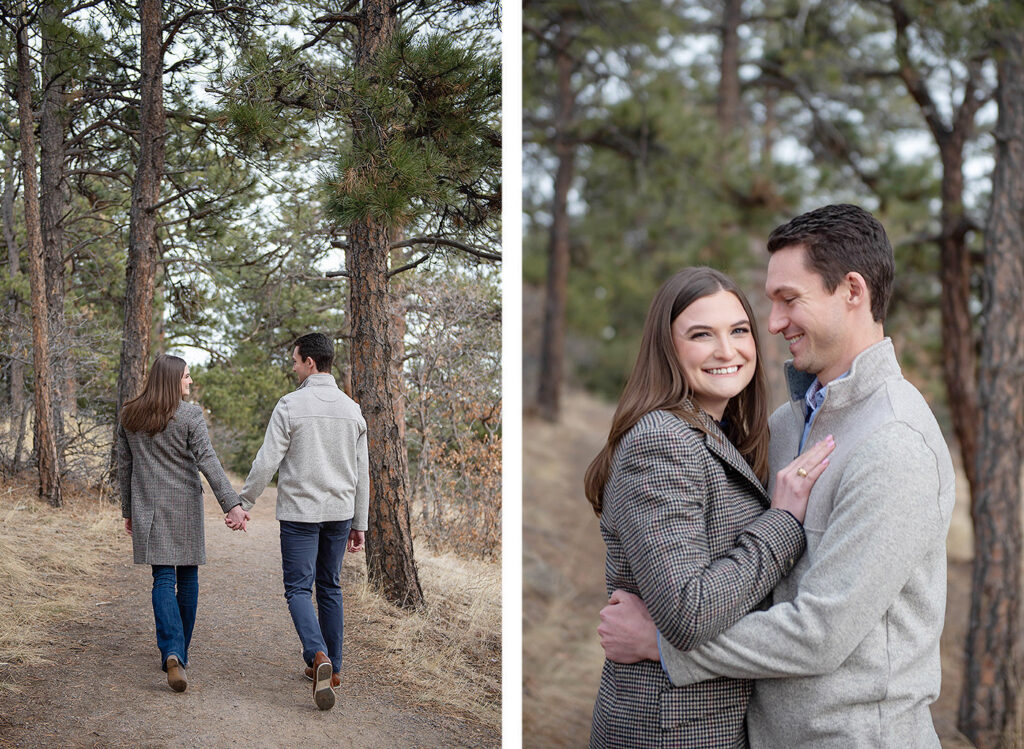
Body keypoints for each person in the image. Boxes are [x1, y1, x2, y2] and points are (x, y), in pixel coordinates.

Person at [599, 204, 956, 748]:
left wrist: (662, 644)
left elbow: (820, 635)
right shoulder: (787, 425)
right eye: (769, 302)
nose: (773, 323)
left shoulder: (895, 442)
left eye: (789, 299)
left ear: (852, 291)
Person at [584, 267, 835, 748]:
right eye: (702, 335)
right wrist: (782, 523)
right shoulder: (662, 441)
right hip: (672, 731)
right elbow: (689, 612)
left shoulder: (716, 435)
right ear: (668, 348)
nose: (727, 351)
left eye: (739, 331)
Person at [234, 332, 368, 711]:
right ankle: (334, 668)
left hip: (300, 514)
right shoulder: (352, 409)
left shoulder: (291, 405)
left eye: (295, 361)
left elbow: (266, 460)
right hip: (340, 513)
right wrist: (362, 522)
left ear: (310, 361)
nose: (292, 367)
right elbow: (363, 472)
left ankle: (317, 655)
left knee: (297, 589)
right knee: (330, 587)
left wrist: (244, 502)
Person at [117, 354, 248, 693]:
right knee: (187, 577)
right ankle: (179, 652)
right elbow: (208, 460)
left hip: (149, 507)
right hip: (185, 508)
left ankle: (172, 650)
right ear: (172, 379)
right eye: (187, 376)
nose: (190, 382)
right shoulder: (189, 415)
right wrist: (232, 504)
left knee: (162, 577)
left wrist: (128, 510)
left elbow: (124, 469)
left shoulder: (130, 414)